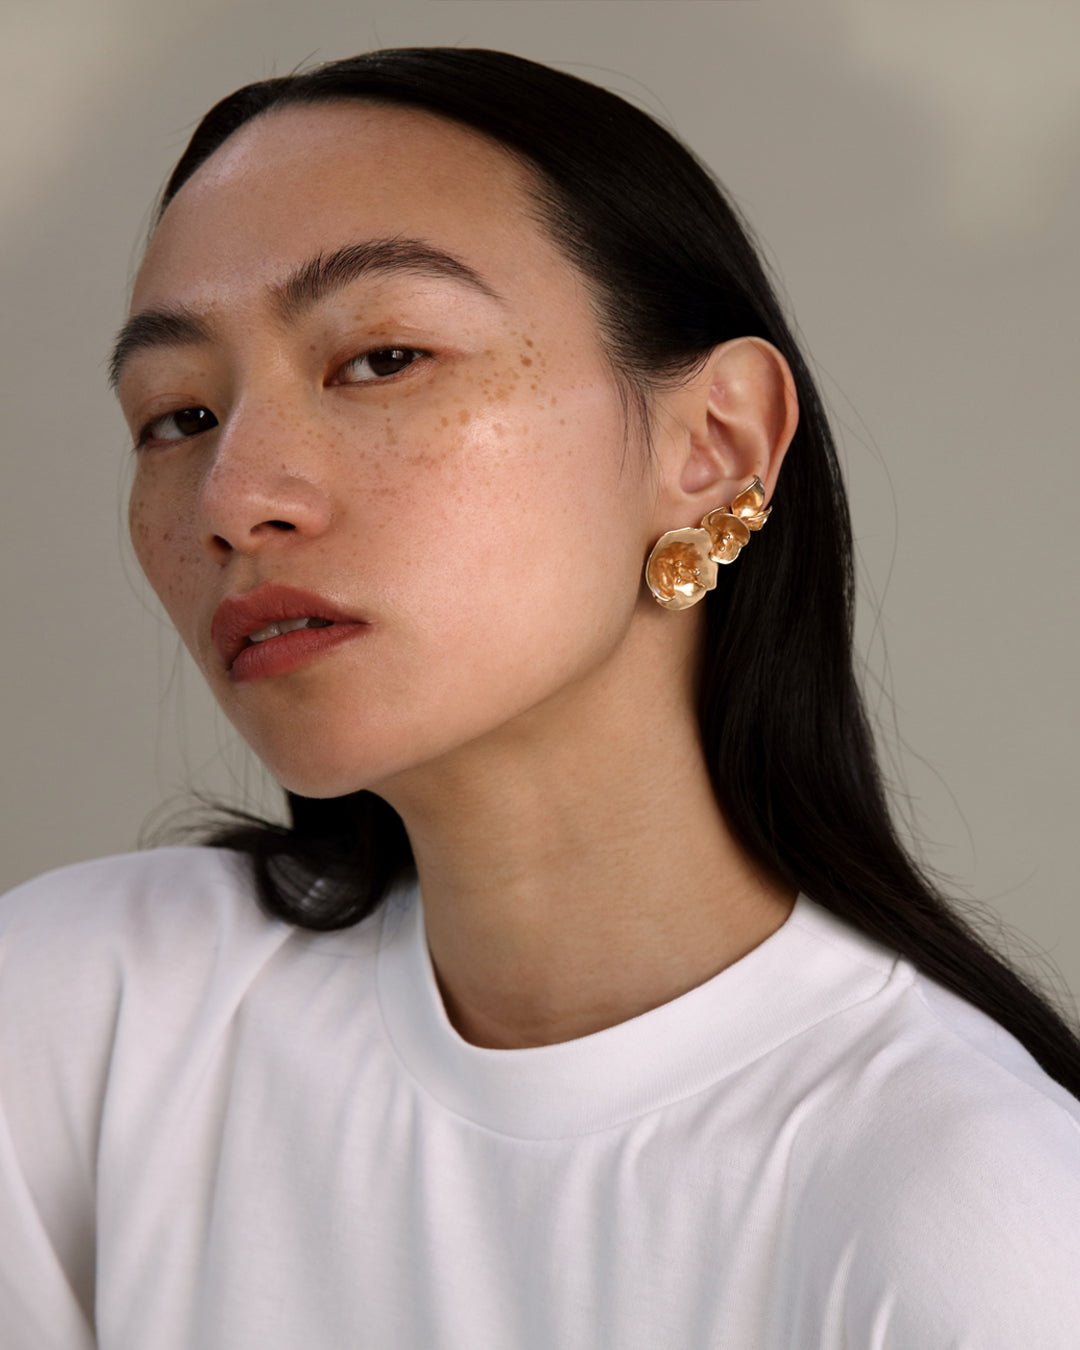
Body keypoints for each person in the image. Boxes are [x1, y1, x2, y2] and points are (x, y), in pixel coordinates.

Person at [2, 46, 1078, 1350]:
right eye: (175, 416)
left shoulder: (963, 1216)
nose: (234, 499)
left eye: (381, 357)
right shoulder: (87, 1022)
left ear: (714, 446)